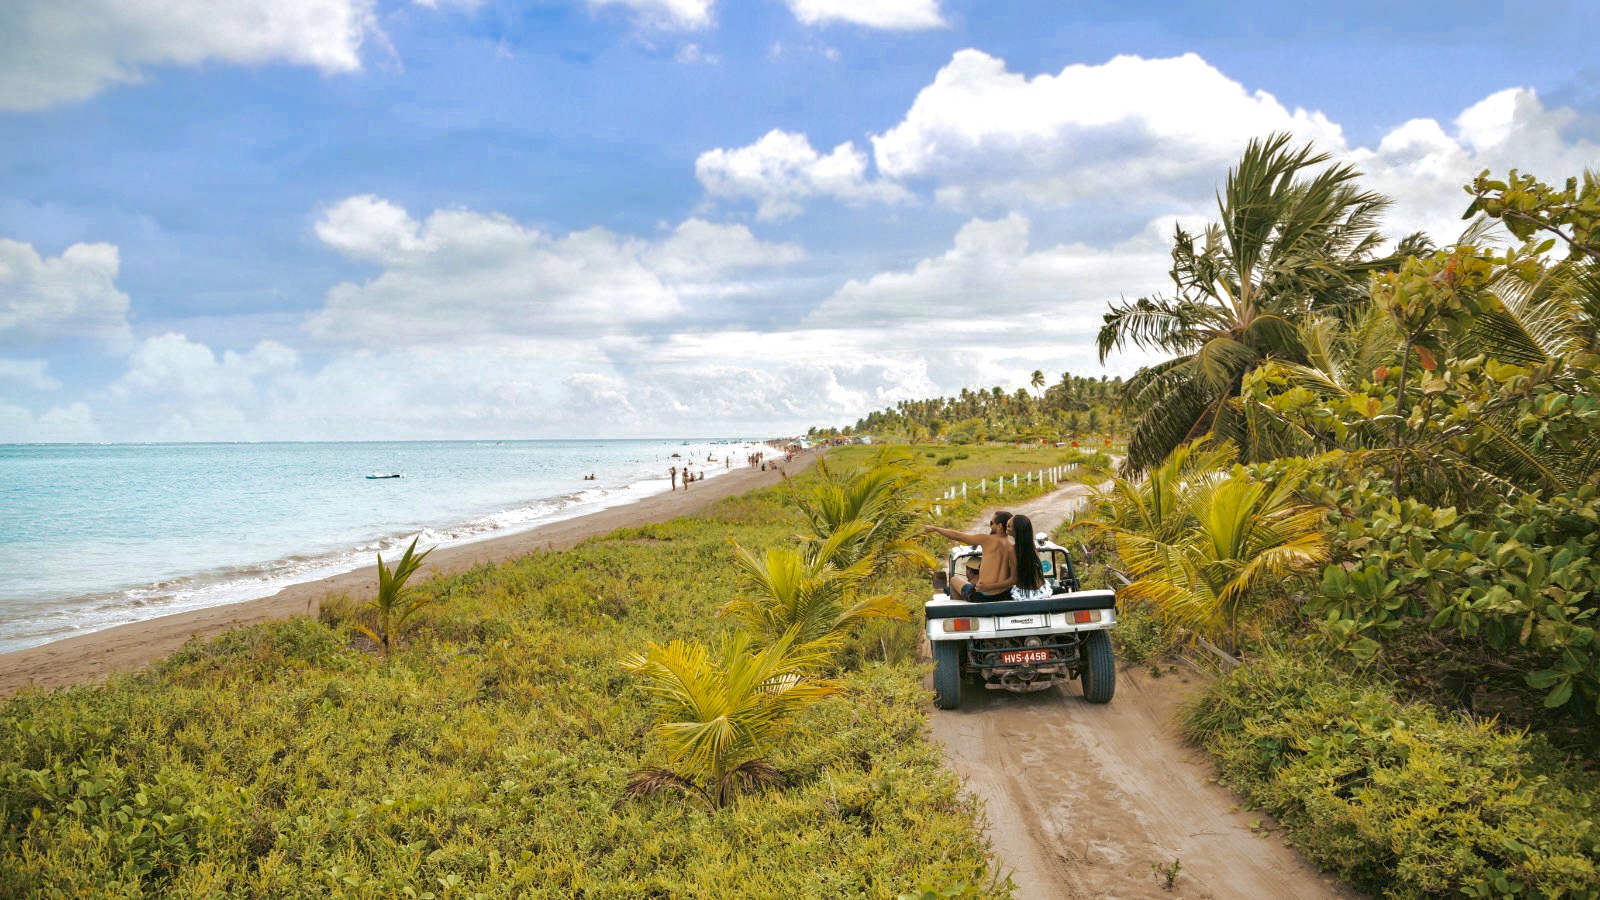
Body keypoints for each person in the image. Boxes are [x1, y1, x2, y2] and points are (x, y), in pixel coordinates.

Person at [923, 511, 1015, 602]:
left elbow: (958, 536)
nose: (990, 526)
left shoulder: (986, 539)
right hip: (1004, 595)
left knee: (954, 580)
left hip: (983, 595)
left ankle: (959, 610)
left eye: (991, 523)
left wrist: (935, 528)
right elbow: (1013, 579)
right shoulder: (1013, 546)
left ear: (999, 526)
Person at [1008, 515, 1051, 601]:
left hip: (1024, 595)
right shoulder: (1031, 545)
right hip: (1043, 591)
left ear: (1016, 530)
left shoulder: (1013, 549)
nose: (1006, 528)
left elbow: (1013, 580)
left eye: (1008, 526)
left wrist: (989, 586)